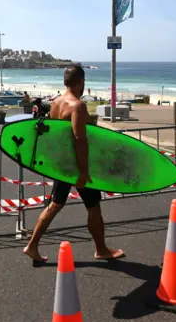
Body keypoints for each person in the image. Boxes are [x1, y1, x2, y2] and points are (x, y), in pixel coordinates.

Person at [23, 65, 124, 265]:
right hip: (76, 167)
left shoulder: (56, 103)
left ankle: (32, 245)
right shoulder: (77, 106)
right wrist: (84, 172)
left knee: (54, 205)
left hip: (62, 165)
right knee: (94, 208)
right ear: (81, 83)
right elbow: (80, 139)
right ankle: (101, 249)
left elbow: (57, 134)